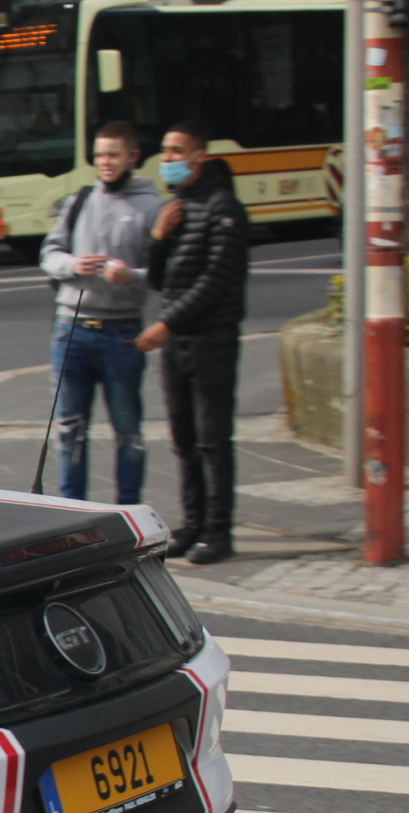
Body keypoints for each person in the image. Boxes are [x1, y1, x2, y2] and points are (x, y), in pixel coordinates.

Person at [136, 121, 250, 564]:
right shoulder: (176, 208)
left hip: (211, 340)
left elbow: (217, 279)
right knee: (183, 439)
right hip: (178, 341)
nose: (168, 160)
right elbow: (161, 280)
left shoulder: (224, 208)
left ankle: (219, 531)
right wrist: (157, 239)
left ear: (199, 156)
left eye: (176, 152)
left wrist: (166, 323)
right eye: (164, 152)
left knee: (212, 440)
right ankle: (194, 522)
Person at [38, 122, 163, 504]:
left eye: (113, 154)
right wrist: (71, 264)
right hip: (71, 330)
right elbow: (49, 253)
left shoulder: (151, 206)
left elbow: (162, 274)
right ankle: (70, 510)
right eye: (99, 154)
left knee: (127, 429)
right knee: (69, 429)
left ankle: (128, 510)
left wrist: (131, 275)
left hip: (121, 332)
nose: (105, 162)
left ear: (132, 157)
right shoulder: (80, 200)